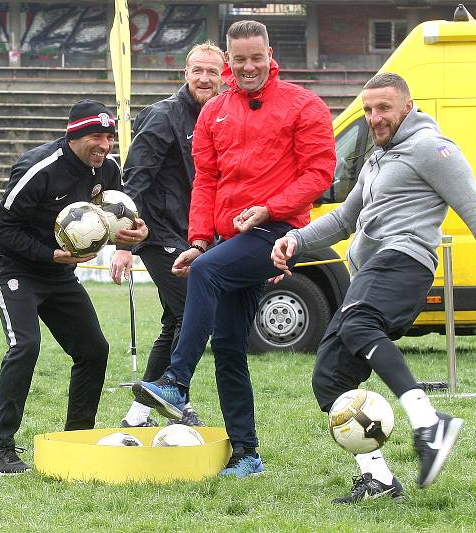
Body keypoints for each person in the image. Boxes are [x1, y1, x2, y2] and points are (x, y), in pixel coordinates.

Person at [271, 72, 476, 502]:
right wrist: (295, 239)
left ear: (407, 106)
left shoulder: (434, 150)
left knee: (358, 323)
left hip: (405, 261)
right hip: (372, 269)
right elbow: (344, 219)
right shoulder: (377, 158)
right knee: (329, 377)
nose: (374, 118)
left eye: (384, 109)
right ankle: (378, 480)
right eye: (367, 110)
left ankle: (429, 423)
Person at [135, 20, 337, 478]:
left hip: (278, 233)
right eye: (239, 59)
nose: (248, 67)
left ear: (270, 55)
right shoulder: (214, 112)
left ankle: (176, 383)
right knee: (228, 345)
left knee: (206, 273)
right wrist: (200, 240)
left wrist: (270, 208)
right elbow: (206, 181)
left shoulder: (303, 104)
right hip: (229, 238)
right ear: (230, 61)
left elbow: (319, 174)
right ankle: (247, 454)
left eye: (255, 58)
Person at [0, 99, 149, 475]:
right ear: (74, 135)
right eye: (96, 137)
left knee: (94, 349)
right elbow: (3, 232)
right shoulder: (37, 168)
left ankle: (77, 440)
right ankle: (0, 451)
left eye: (109, 138)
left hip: (58, 274)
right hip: (13, 266)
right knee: (25, 346)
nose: (105, 146)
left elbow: (114, 220)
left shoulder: (107, 170)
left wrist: (132, 238)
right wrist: (50, 254)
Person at [110, 42, 225, 429]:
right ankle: (175, 401)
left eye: (212, 71)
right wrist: (124, 243)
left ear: (223, 76)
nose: (205, 78)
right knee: (189, 313)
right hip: (157, 232)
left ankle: (141, 412)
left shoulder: (223, 116)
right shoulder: (162, 116)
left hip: (196, 235)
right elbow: (135, 179)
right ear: (186, 74)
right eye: (198, 71)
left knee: (175, 319)